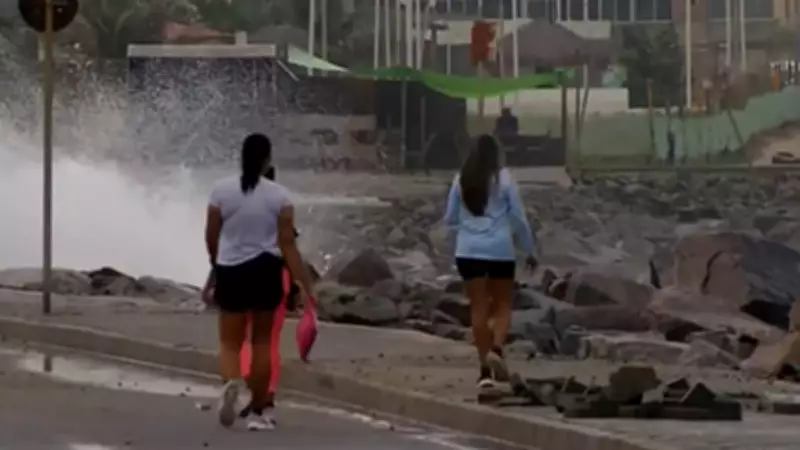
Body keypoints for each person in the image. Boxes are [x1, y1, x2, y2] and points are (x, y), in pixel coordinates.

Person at [205, 132, 315, 431]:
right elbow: (287, 244)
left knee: (230, 342)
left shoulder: (221, 191)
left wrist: (216, 264)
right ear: (267, 160)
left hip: (231, 270)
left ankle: (231, 382)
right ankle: (257, 408)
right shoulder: (280, 196)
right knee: (263, 342)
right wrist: (305, 283)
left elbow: (211, 235)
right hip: (267, 270)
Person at [443, 134, 538, 393]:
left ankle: (484, 370)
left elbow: (450, 218)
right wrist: (529, 250)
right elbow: (518, 218)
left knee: (478, 308)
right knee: (503, 304)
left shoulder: (461, 180)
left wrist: (468, 227)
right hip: (500, 251)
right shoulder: (505, 179)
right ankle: (496, 348)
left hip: (468, 251)